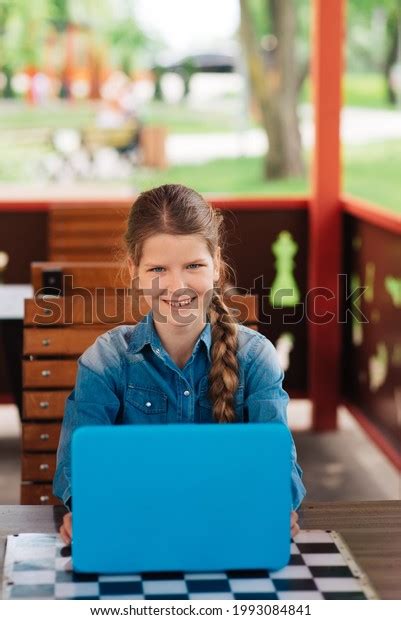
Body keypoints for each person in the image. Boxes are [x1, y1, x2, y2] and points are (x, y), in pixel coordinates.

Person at [54, 183, 306, 545]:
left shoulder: (255, 358)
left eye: (193, 265)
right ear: (134, 271)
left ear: (217, 265)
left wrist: (277, 506)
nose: (177, 285)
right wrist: (88, 508)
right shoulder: (105, 361)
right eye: (158, 268)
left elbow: (281, 466)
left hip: (231, 534)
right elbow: (75, 468)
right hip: (134, 533)